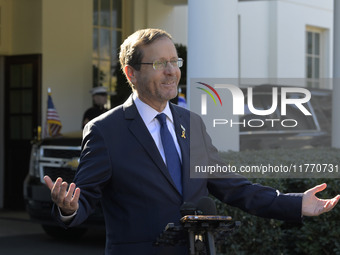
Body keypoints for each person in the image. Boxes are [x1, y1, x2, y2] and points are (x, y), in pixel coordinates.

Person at [44, 28, 340, 255]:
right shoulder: (105, 131)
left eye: (175, 61)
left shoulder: (192, 124)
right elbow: (83, 201)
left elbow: (233, 187)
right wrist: (69, 208)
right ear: (130, 73)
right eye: (160, 63)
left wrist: (295, 203)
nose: (172, 71)